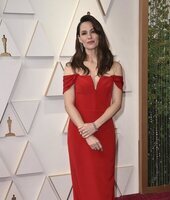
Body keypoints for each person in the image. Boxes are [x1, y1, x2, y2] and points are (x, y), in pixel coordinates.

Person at [63, 14, 123, 200]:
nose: (89, 36)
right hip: (79, 133)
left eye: (93, 31)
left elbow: (117, 103)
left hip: (104, 129)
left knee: (104, 182)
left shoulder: (115, 66)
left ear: (99, 35)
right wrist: (86, 132)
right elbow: (69, 104)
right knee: (84, 184)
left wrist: (95, 126)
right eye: (84, 33)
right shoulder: (71, 67)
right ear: (79, 39)